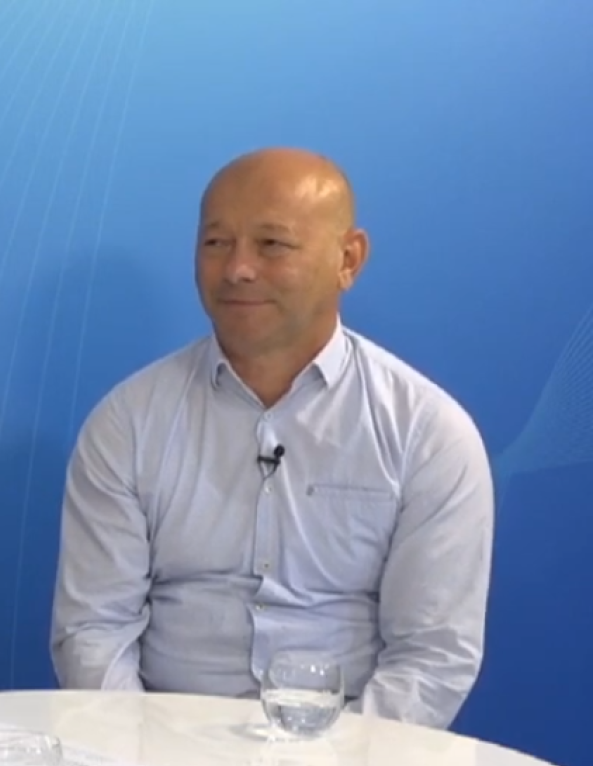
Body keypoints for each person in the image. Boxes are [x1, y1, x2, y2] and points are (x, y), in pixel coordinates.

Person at [50, 147, 494, 730]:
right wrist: (140, 758)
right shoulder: (128, 422)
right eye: (216, 243)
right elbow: (94, 630)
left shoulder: (426, 433)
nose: (237, 269)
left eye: (272, 244)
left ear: (348, 259)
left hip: (355, 758)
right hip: (160, 751)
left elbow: (432, 657)